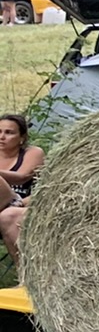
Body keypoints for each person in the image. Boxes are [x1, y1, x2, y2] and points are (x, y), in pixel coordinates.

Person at [0, 114, 43, 271]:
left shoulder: (32, 153)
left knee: (8, 215)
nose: (2, 137)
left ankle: (28, 277)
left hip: (21, 204)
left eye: (9, 132)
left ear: (22, 138)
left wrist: (19, 203)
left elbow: (22, 177)